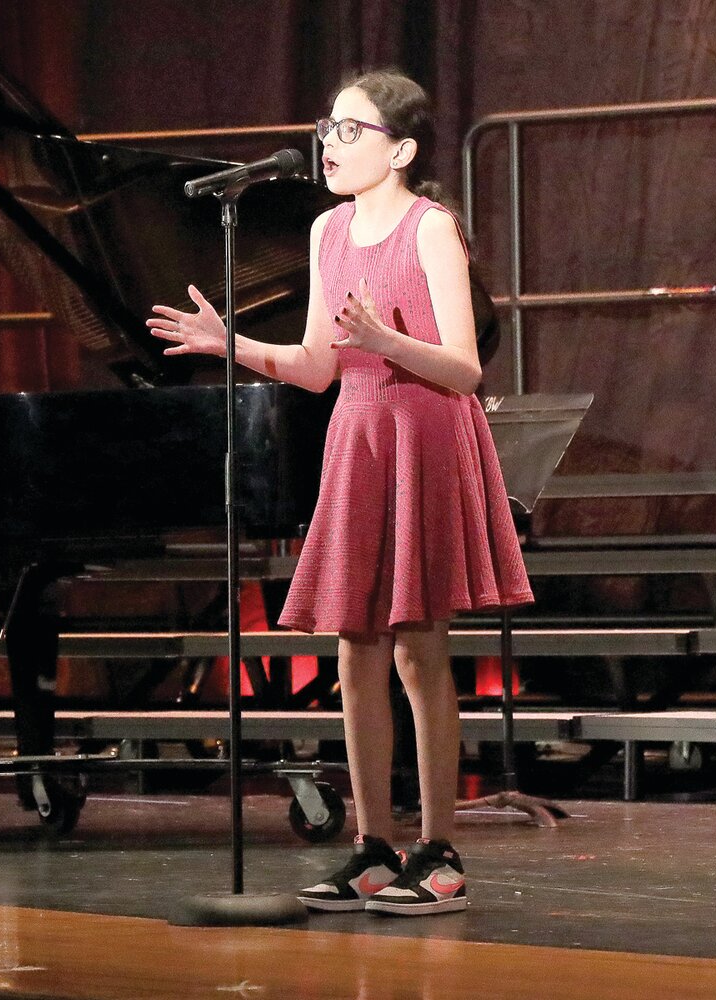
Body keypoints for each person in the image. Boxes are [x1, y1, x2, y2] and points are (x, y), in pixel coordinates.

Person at [148, 70, 531, 915]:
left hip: (424, 432)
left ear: (400, 149)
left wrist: (389, 338)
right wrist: (231, 344)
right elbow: (319, 368)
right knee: (355, 651)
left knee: (416, 648)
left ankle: (440, 851)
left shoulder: (432, 229)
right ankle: (372, 845)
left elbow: (465, 368)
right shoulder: (326, 230)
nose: (330, 142)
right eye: (328, 126)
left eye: (351, 130)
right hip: (358, 433)